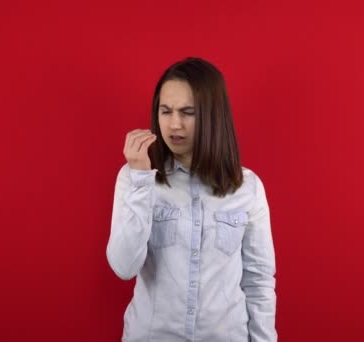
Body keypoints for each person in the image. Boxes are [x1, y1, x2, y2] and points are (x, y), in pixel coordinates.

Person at [106, 57, 277, 341]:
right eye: (166, 111)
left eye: (188, 112)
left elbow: (258, 281)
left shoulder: (248, 187)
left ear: (212, 115)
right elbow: (124, 268)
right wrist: (140, 180)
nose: (175, 124)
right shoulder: (135, 177)